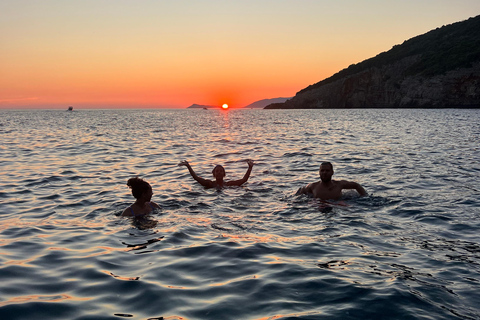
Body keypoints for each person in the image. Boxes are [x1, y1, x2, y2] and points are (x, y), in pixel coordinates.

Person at [296, 162, 367, 200]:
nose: (324, 172)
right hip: (319, 208)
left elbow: (356, 185)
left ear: (332, 172)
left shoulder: (339, 184)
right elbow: (301, 192)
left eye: (327, 170)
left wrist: (365, 197)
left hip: (336, 206)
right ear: (319, 172)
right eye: (322, 170)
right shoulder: (313, 186)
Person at [178, 159, 254, 188]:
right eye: (217, 171)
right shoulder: (210, 184)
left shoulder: (229, 184)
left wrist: (250, 168)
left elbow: (244, 180)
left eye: (221, 171)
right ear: (214, 174)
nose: (219, 173)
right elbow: (196, 177)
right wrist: (188, 166)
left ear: (224, 174)